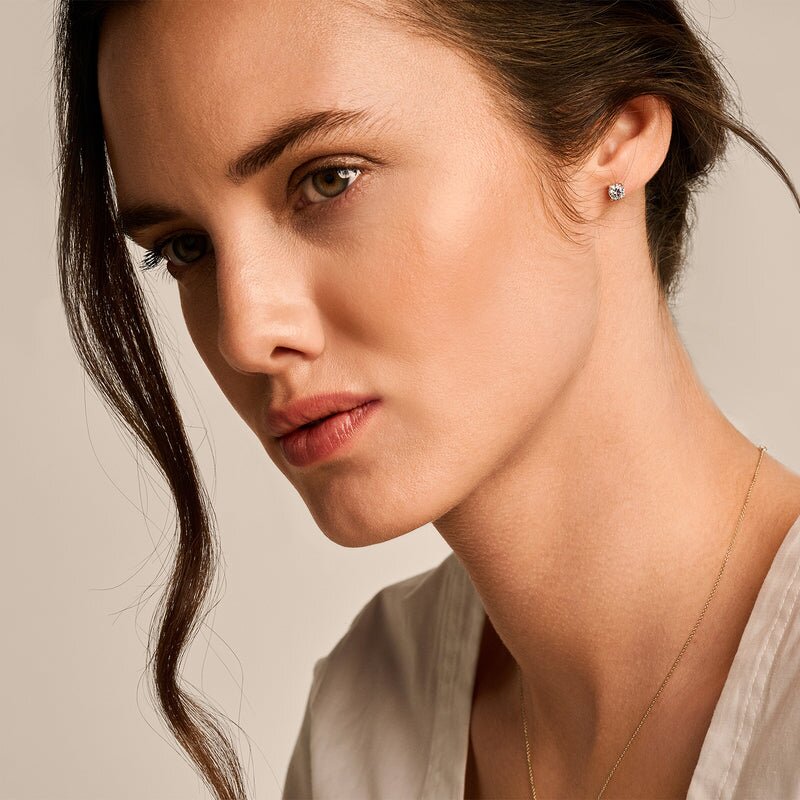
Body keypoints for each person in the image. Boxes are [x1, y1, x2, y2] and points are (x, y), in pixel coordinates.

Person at [52, 1, 800, 798]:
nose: (244, 332)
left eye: (329, 180)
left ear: (613, 133)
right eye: (185, 248)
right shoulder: (367, 724)